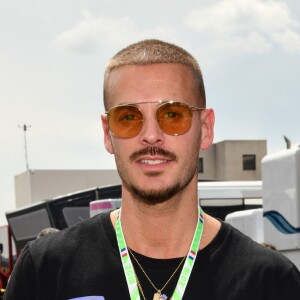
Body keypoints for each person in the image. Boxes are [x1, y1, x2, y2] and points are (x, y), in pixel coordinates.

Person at [4, 39, 300, 300]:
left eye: (173, 114)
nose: (151, 136)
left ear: (205, 129)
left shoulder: (269, 281)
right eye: (129, 117)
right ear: (107, 133)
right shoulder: (44, 271)